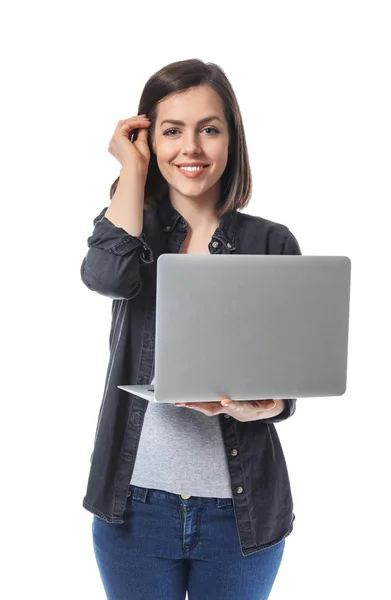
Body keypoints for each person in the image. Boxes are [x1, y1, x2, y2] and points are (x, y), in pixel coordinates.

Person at [81, 58, 302, 600]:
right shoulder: (132, 231)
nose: (192, 148)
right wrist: (132, 173)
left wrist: (258, 405)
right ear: (149, 139)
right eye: (171, 130)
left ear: (232, 138)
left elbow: (289, 380)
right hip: (135, 509)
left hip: (241, 516)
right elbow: (105, 274)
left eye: (210, 128)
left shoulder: (271, 242)